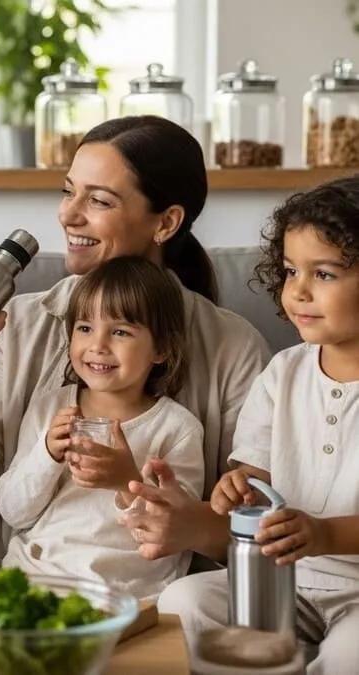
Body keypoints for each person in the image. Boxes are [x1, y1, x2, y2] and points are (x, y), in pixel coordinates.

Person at [0, 115, 270, 575]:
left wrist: (134, 486)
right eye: (68, 192)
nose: (68, 215)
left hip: (146, 583)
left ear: (167, 222)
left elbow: (254, 525)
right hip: (24, 574)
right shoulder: (17, 324)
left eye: (99, 200)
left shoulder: (233, 347)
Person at [160, 177, 359, 674]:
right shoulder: (283, 372)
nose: (299, 291)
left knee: (349, 656)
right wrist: (240, 486)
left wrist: (324, 534)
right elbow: (256, 473)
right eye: (291, 271)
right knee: (184, 603)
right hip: (285, 578)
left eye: (324, 274)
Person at [0, 256, 204, 600]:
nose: (97, 345)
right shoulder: (50, 408)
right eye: (85, 328)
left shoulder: (177, 429)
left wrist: (127, 481)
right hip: (37, 575)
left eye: (120, 332)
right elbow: (14, 512)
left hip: (126, 590)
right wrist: (46, 455)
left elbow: (174, 534)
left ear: (162, 349)